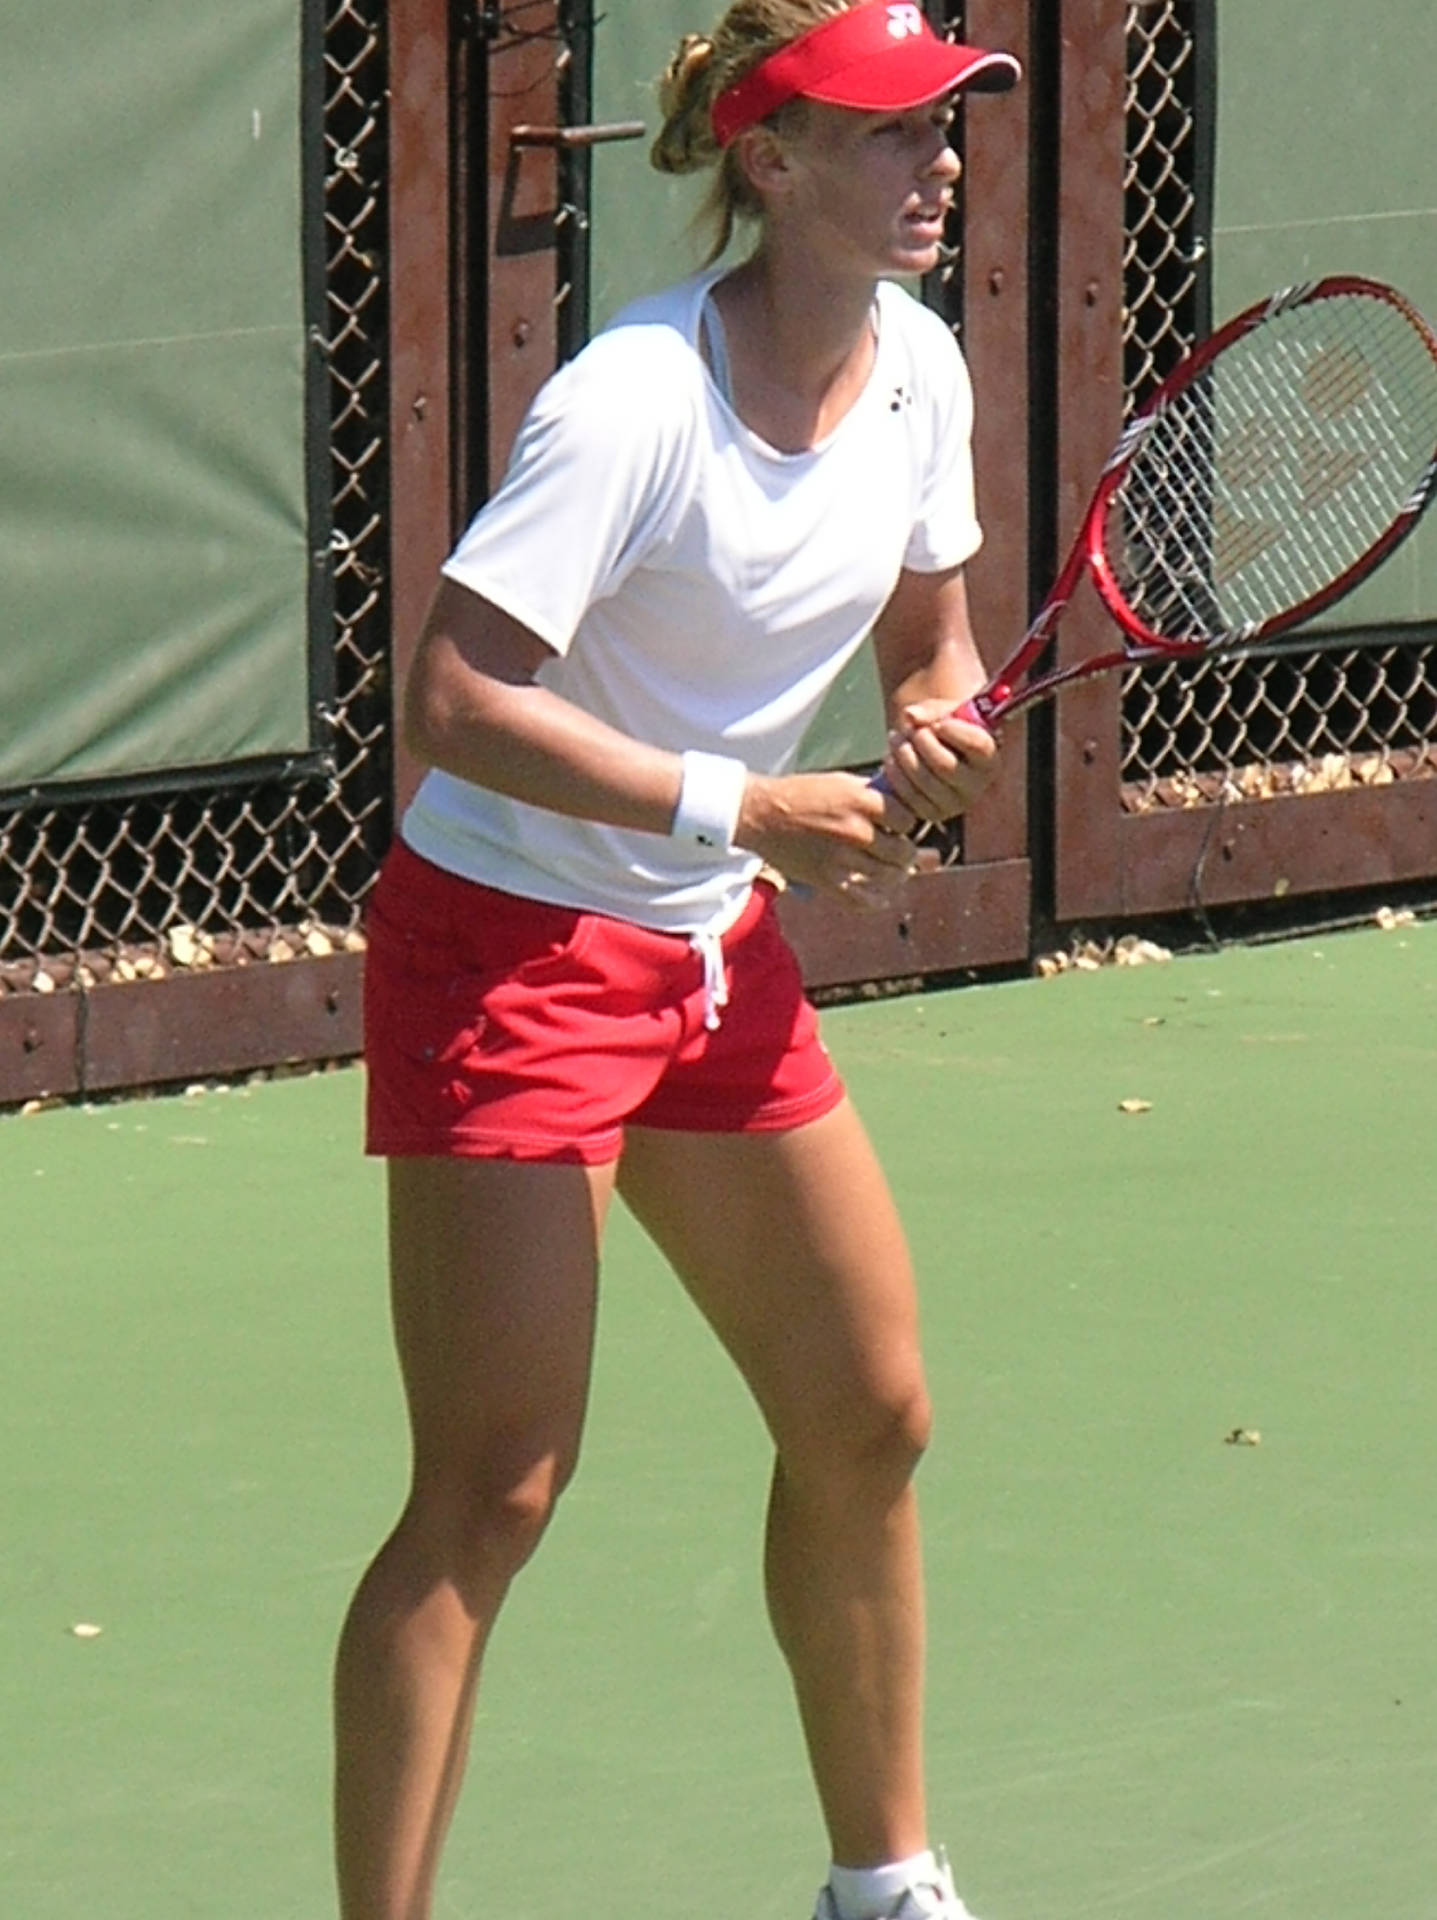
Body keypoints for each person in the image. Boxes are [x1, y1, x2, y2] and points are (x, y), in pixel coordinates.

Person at [334, 3, 1021, 1916]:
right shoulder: (633, 402)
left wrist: (938, 731)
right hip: (513, 947)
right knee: (495, 1488)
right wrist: (743, 807)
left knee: (869, 1412)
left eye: (946, 130)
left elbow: (926, 649)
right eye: (890, 136)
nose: (935, 166)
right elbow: (453, 700)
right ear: (768, 158)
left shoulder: (922, 377)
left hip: (704, 956)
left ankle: (883, 1887)